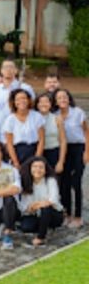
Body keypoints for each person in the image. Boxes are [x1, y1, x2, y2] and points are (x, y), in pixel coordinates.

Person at [53, 88, 88, 228]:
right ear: (55, 101)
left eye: (65, 97)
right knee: (64, 183)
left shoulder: (78, 112)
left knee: (76, 181)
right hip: (63, 150)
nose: (62, 100)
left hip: (78, 148)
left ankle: (78, 216)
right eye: (59, 97)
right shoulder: (55, 115)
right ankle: (67, 214)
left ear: (69, 98)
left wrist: (87, 152)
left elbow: (86, 131)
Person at [18, 156, 64, 246]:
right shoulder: (26, 182)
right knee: (26, 227)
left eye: (41, 167)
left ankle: (41, 238)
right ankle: (44, 227)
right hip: (34, 213)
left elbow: (53, 200)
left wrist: (38, 204)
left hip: (53, 213)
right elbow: (24, 206)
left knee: (45, 208)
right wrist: (31, 208)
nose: (37, 169)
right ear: (30, 168)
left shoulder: (50, 181)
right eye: (35, 167)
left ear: (45, 170)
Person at [2, 88, 45, 168]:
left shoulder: (37, 116)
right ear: (14, 102)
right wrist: (15, 161)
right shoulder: (10, 120)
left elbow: (41, 139)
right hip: (18, 153)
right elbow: (9, 143)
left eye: (24, 98)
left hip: (34, 150)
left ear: (28, 100)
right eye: (18, 99)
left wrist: (37, 158)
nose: (21, 101)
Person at [35, 93, 66, 174]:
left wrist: (61, 162)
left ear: (51, 104)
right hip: (36, 153)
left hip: (53, 153)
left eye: (46, 102)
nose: (44, 104)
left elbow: (63, 141)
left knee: (53, 181)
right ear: (37, 104)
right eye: (41, 102)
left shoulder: (57, 118)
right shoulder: (32, 118)